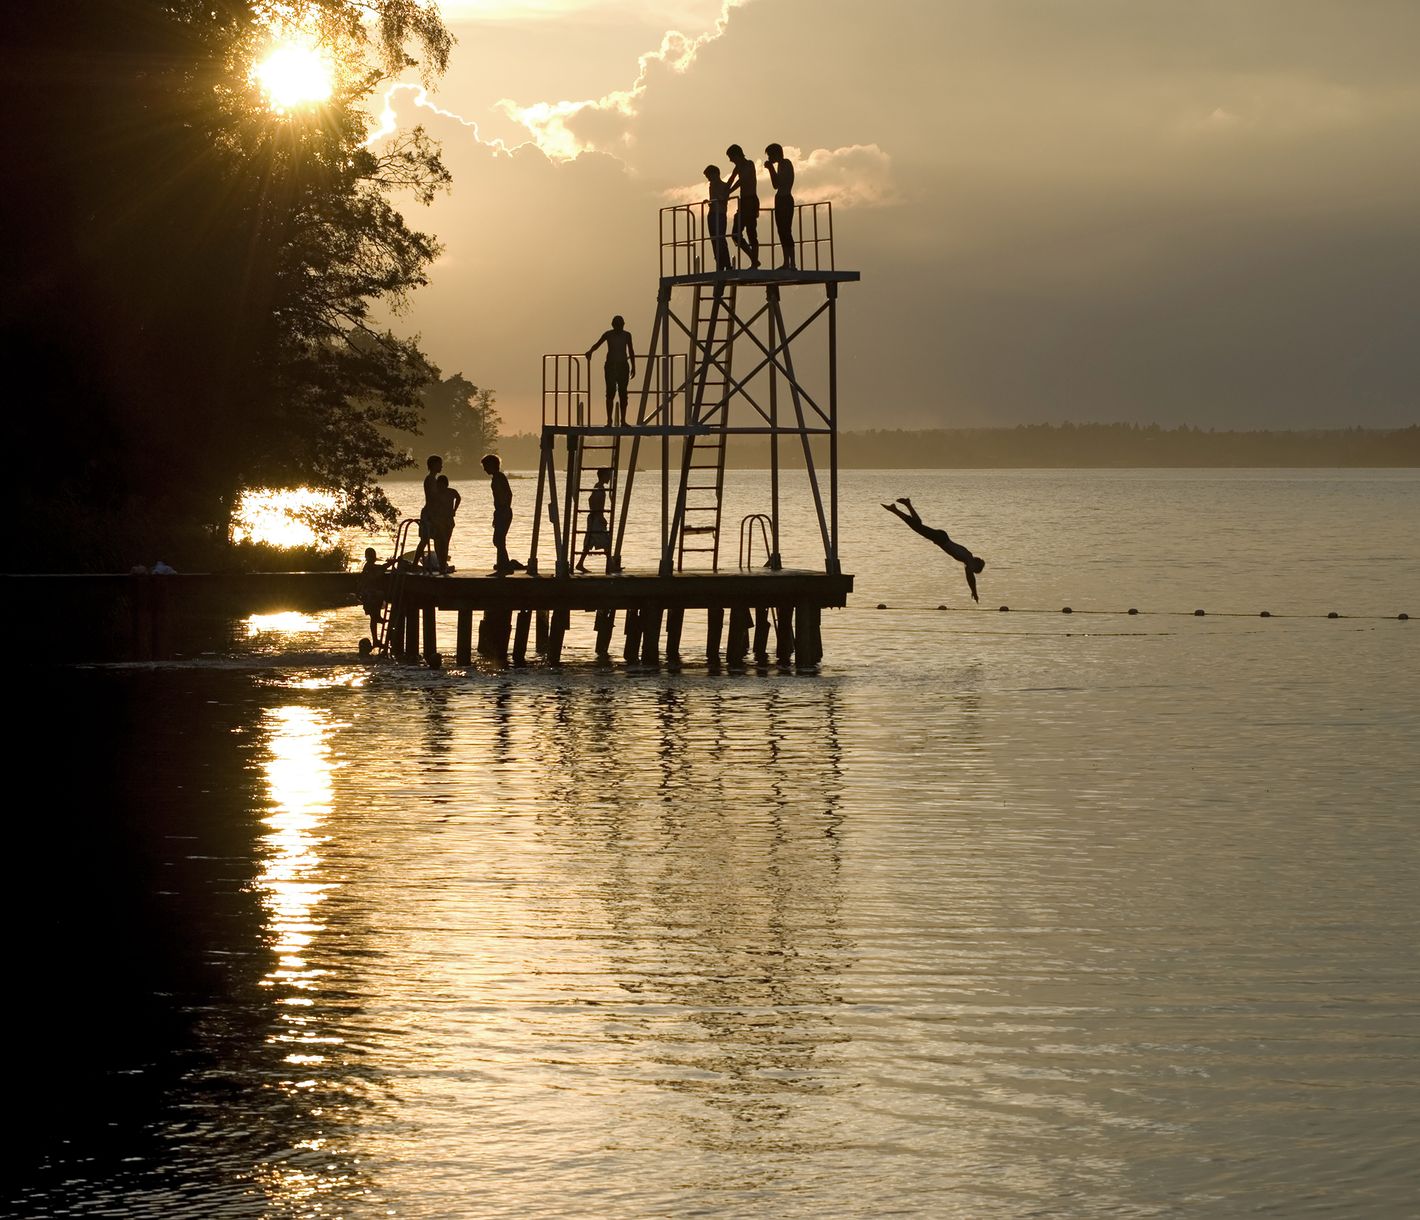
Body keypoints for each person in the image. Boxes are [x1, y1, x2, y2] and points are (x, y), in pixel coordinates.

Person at [881, 497, 986, 602]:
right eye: (975, 569)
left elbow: (970, 576)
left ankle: (905, 505)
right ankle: (896, 509)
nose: (971, 570)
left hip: (942, 537)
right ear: (976, 566)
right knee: (917, 527)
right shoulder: (969, 560)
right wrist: (974, 592)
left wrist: (974, 590)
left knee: (917, 525)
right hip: (941, 539)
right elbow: (970, 578)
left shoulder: (968, 556)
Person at [585, 316, 637, 426]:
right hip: (611, 366)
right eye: (617, 325)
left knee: (623, 394)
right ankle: (609, 421)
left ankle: (623, 420)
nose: (619, 327)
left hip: (623, 366)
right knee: (610, 393)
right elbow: (597, 344)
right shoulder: (608, 334)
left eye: (621, 325)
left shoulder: (627, 335)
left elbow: (631, 351)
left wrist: (634, 366)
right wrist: (590, 351)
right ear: (613, 325)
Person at [481, 452, 523, 575]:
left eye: (485, 466)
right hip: (501, 511)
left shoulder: (499, 477)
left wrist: (504, 508)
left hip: (503, 511)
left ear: (492, 465)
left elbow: (508, 494)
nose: (484, 469)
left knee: (499, 540)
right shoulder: (497, 477)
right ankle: (505, 566)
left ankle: (503, 568)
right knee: (498, 540)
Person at [724, 144, 760, 269]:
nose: (730, 160)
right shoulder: (737, 167)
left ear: (737, 155)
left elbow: (742, 180)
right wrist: (723, 191)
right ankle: (753, 258)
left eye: (731, 157)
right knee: (735, 233)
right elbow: (731, 180)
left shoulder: (749, 164)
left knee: (751, 232)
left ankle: (754, 262)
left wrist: (728, 192)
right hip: (743, 202)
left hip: (751, 201)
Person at [764, 143, 796, 270]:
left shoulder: (785, 163)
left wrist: (770, 168)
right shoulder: (781, 165)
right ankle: (786, 262)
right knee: (781, 231)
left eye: (770, 155)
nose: (769, 158)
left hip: (785, 199)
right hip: (780, 199)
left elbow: (777, 184)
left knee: (786, 231)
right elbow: (776, 185)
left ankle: (792, 263)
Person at [575, 467, 613, 573]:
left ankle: (580, 564)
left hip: (595, 517)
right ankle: (610, 565)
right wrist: (599, 515)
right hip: (596, 518)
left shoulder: (599, 487)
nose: (609, 477)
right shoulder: (599, 487)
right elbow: (593, 501)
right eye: (608, 475)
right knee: (605, 541)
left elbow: (591, 500)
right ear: (603, 476)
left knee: (591, 542)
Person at [413, 454, 443, 565]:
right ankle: (415, 563)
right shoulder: (430, 479)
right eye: (440, 464)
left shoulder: (433, 479)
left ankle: (440, 563)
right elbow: (433, 497)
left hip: (432, 512)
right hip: (429, 513)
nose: (441, 466)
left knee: (434, 539)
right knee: (426, 539)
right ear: (434, 465)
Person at [703, 164, 732, 272]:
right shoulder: (711, 186)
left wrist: (718, 200)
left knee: (721, 239)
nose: (709, 180)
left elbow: (724, 200)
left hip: (720, 215)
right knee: (714, 240)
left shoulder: (723, 186)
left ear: (716, 174)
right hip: (712, 214)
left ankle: (727, 264)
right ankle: (720, 263)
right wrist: (709, 202)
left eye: (710, 177)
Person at [431, 473, 461, 574]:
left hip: (448, 521)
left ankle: (443, 565)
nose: (441, 487)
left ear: (446, 484)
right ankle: (441, 564)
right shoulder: (436, 493)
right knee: (438, 542)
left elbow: (458, 497)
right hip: (438, 521)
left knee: (445, 543)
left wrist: (454, 509)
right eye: (439, 485)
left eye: (443, 485)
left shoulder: (451, 491)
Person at [358, 546, 386, 637]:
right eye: (373, 556)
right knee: (373, 617)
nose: (374, 557)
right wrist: (392, 563)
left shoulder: (369, 566)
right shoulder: (369, 566)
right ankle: (375, 639)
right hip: (368, 594)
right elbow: (381, 568)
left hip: (369, 593)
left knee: (373, 618)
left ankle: (375, 640)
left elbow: (380, 568)